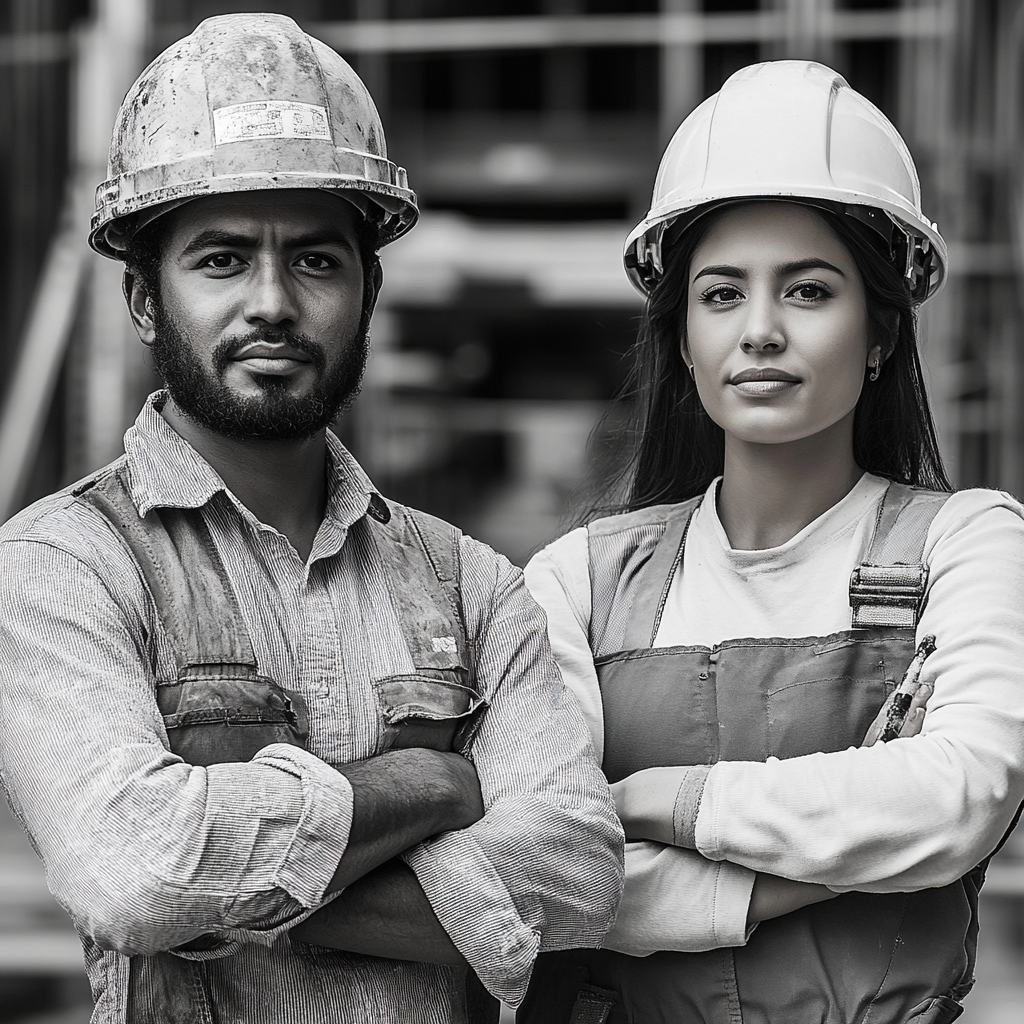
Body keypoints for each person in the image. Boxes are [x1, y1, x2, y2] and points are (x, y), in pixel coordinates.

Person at [0, 14, 623, 1024]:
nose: (272, 303)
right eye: (220, 259)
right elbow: (133, 871)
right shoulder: (62, 567)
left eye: (316, 262)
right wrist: (424, 784)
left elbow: (580, 872)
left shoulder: (468, 582)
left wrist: (254, 894)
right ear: (145, 299)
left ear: (368, 289)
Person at [518, 60, 1024, 1024]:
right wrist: (825, 867)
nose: (758, 331)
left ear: (881, 332)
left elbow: (960, 796)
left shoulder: (967, 544)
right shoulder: (578, 578)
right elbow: (544, 874)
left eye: (807, 291)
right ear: (681, 341)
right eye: (720, 295)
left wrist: (650, 801)